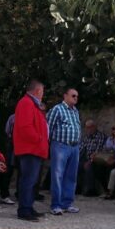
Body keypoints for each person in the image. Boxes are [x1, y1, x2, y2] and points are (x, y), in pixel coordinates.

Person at [13, 80, 49, 222]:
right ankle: (24, 210)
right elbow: (25, 127)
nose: (43, 94)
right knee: (28, 180)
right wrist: (39, 138)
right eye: (42, 91)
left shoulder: (32, 104)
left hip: (34, 148)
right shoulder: (26, 103)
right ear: (37, 91)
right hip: (30, 148)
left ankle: (28, 206)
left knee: (32, 180)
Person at [46, 87, 82, 215]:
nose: (75, 98)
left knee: (71, 176)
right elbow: (48, 128)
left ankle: (67, 203)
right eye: (73, 95)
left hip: (74, 147)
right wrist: (50, 145)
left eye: (77, 96)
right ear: (65, 96)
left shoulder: (75, 111)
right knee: (58, 176)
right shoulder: (57, 109)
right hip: (60, 146)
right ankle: (56, 205)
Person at [77, 120, 108, 196]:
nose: (89, 129)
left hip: (97, 160)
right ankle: (76, 188)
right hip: (86, 158)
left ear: (95, 127)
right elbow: (80, 149)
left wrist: (90, 161)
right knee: (75, 166)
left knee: (89, 167)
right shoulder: (86, 137)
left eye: (91, 127)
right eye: (87, 127)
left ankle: (90, 190)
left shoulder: (100, 137)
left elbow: (98, 152)